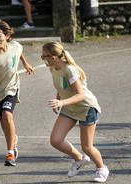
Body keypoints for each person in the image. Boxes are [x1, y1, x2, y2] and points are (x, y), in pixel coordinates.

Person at [42, 42, 109, 182]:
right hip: (70, 108)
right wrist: (58, 98)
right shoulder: (53, 68)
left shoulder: (70, 70)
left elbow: (80, 95)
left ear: (53, 57)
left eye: (44, 56)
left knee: (87, 147)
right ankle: (79, 159)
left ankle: (102, 169)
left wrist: (61, 102)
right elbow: (62, 86)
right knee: (56, 140)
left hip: (86, 108)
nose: (42, 58)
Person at [0, 20, 35, 166]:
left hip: (12, 87)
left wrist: (25, 63)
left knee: (7, 115)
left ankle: (10, 153)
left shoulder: (15, 46)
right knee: (4, 124)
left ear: (7, 36)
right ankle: (13, 143)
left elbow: (19, 52)